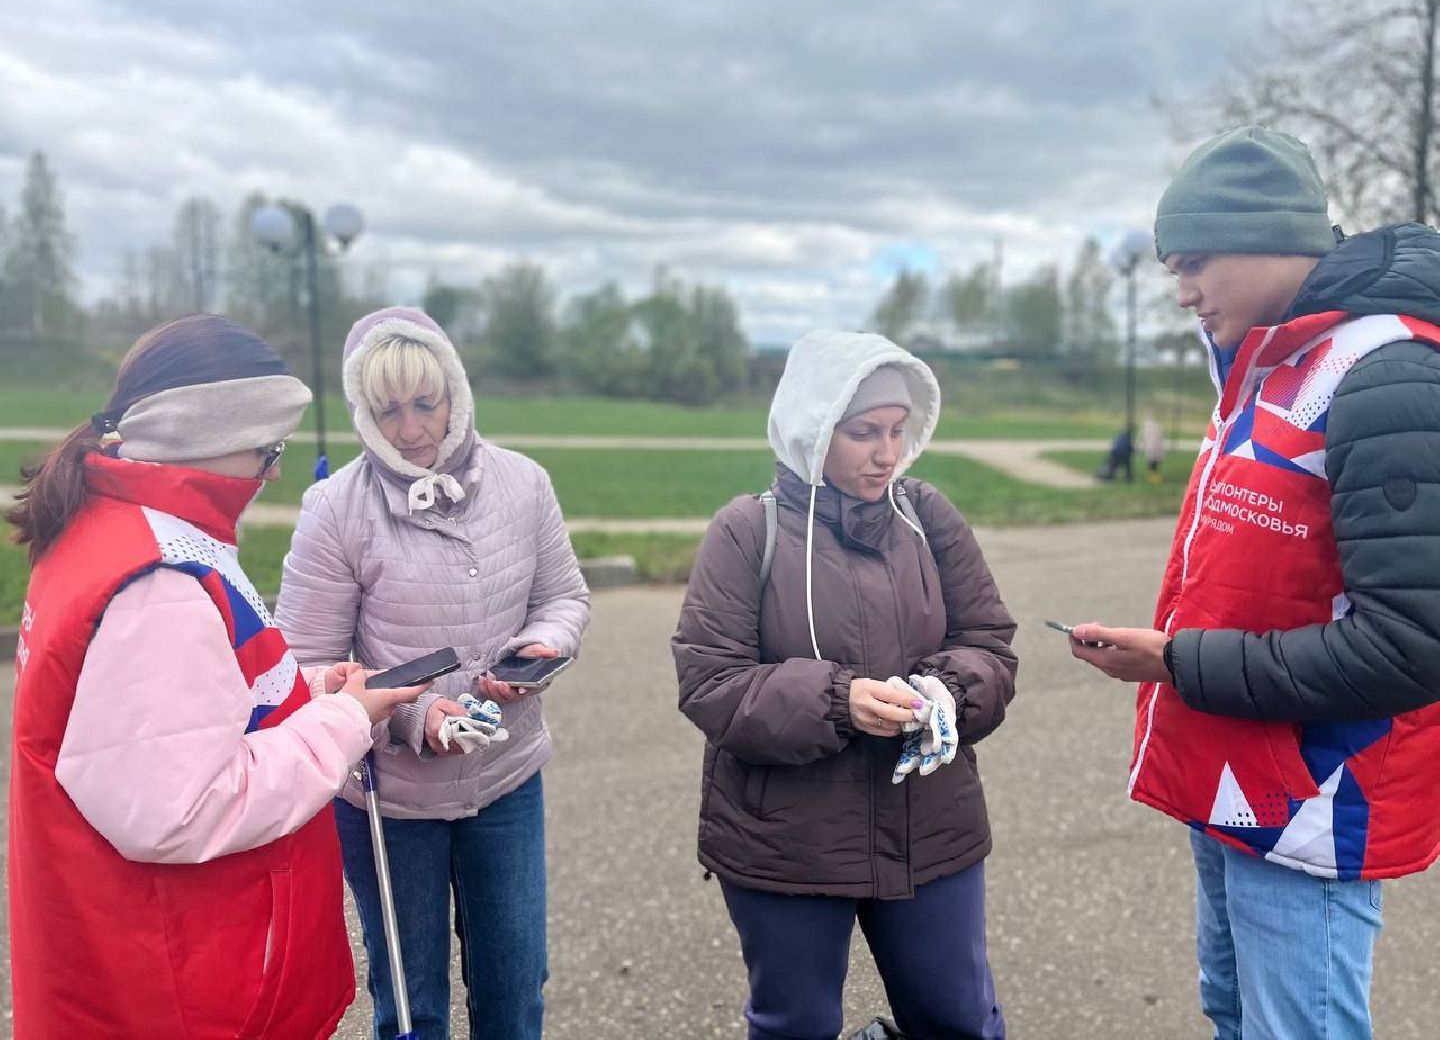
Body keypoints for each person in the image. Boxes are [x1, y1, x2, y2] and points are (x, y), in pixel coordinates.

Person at [1068, 125, 1440, 1038]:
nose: (1182, 289)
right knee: (1233, 1011)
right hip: (1231, 766)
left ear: (1278, 239)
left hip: (1316, 801)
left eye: (1196, 262)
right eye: (1169, 267)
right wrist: (1176, 664)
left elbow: (1412, 645)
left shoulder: (1385, 373)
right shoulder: (1266, 367)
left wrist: (1179, 663)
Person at [6, 314, 429, 1040]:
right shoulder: (157, 581)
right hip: (194, 985)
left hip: (156, 962)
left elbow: (185, 712)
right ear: (205, 437)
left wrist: (307, 695)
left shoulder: (123, 531)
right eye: (267, 449)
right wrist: (346, 722)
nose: (273, 472)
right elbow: (184, 806)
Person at [673, 330, 1015, 1040]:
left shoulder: (928, 517)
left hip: (931, 826)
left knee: (957, 1020)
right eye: (864, 433)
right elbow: (712, 683)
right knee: (794, 1025)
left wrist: (949, 690)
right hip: (785, 842)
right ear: (814, 427)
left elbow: (989, 644)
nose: (887, 453)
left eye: (897, 431)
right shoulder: (746, 532)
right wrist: (840, 701)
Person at [276, 306, 590, 1040]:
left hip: (505, 776)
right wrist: (416, 718)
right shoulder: (334, 510)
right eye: (388, 412)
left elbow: (563, 597)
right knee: (412, 1009)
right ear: (363, 413)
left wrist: (540, 652)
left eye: (426, 403)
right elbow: (305, 665)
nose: (412, 429)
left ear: (457, 392)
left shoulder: (524, 483)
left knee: (516, 992)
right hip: (388, 800)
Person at [1138, 412, 1166, 484]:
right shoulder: (1158, 426)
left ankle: (1153, 478)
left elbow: (1142, 437)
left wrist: (1141, 446)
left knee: (1151, 463)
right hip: (1156, 448)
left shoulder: (1146, 426)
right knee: (1154, 464)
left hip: (1151, 447)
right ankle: (1154, 477)